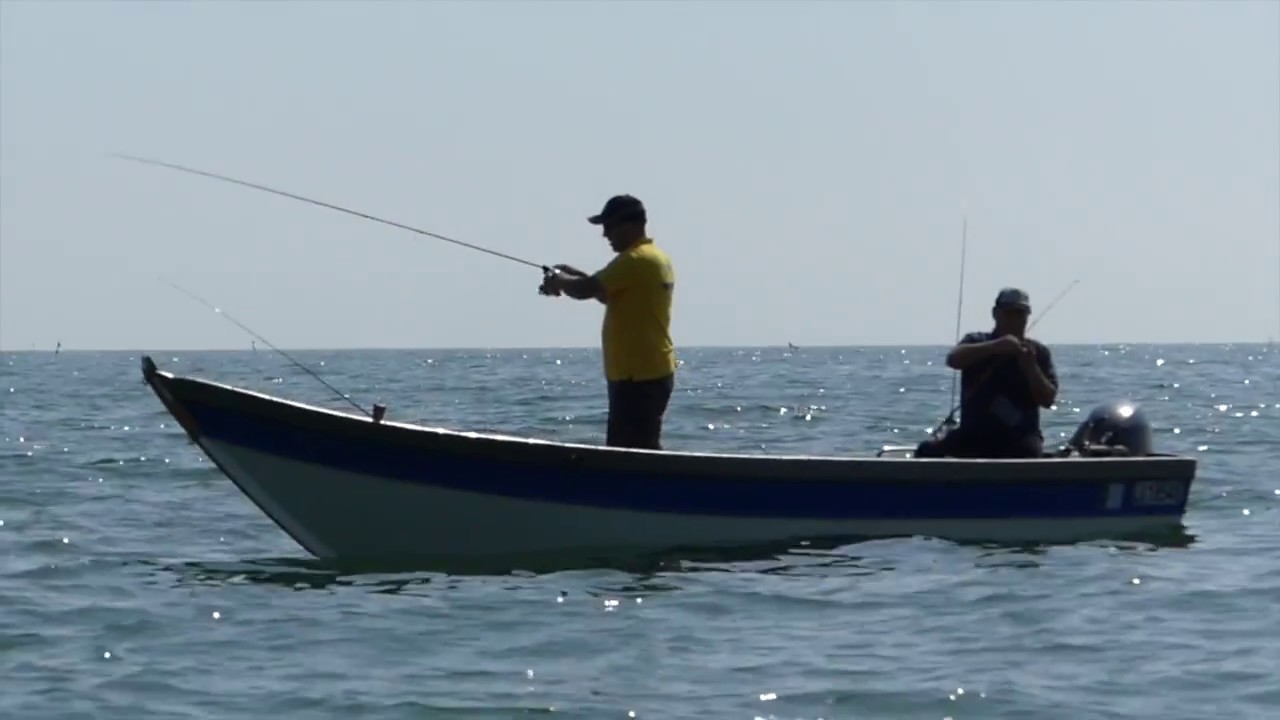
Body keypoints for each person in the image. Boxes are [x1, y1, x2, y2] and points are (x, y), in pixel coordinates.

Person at [538, 194, 677, 450]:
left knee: (632, 453)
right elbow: (606, 293)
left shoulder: (636, 260)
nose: (605, 235)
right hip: (644, 372)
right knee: (638, 448)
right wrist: (572, 274)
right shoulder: (654, 257)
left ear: (630, 225)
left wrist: (559, 281)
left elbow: (586, 289)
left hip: (638, 376)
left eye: (609, 227)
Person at [915, 287, 1059, 459]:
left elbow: (1048, 399)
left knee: (1029, 452)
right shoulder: (976, 341)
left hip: (1019, 437)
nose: (1015, 319)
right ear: (996, 314)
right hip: (973, 434)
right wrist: (995, 347)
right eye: (1009, 313)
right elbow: (954, 359)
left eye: (1020, 314)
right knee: (927, 450)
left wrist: (1030, 366)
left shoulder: (1038, 352)